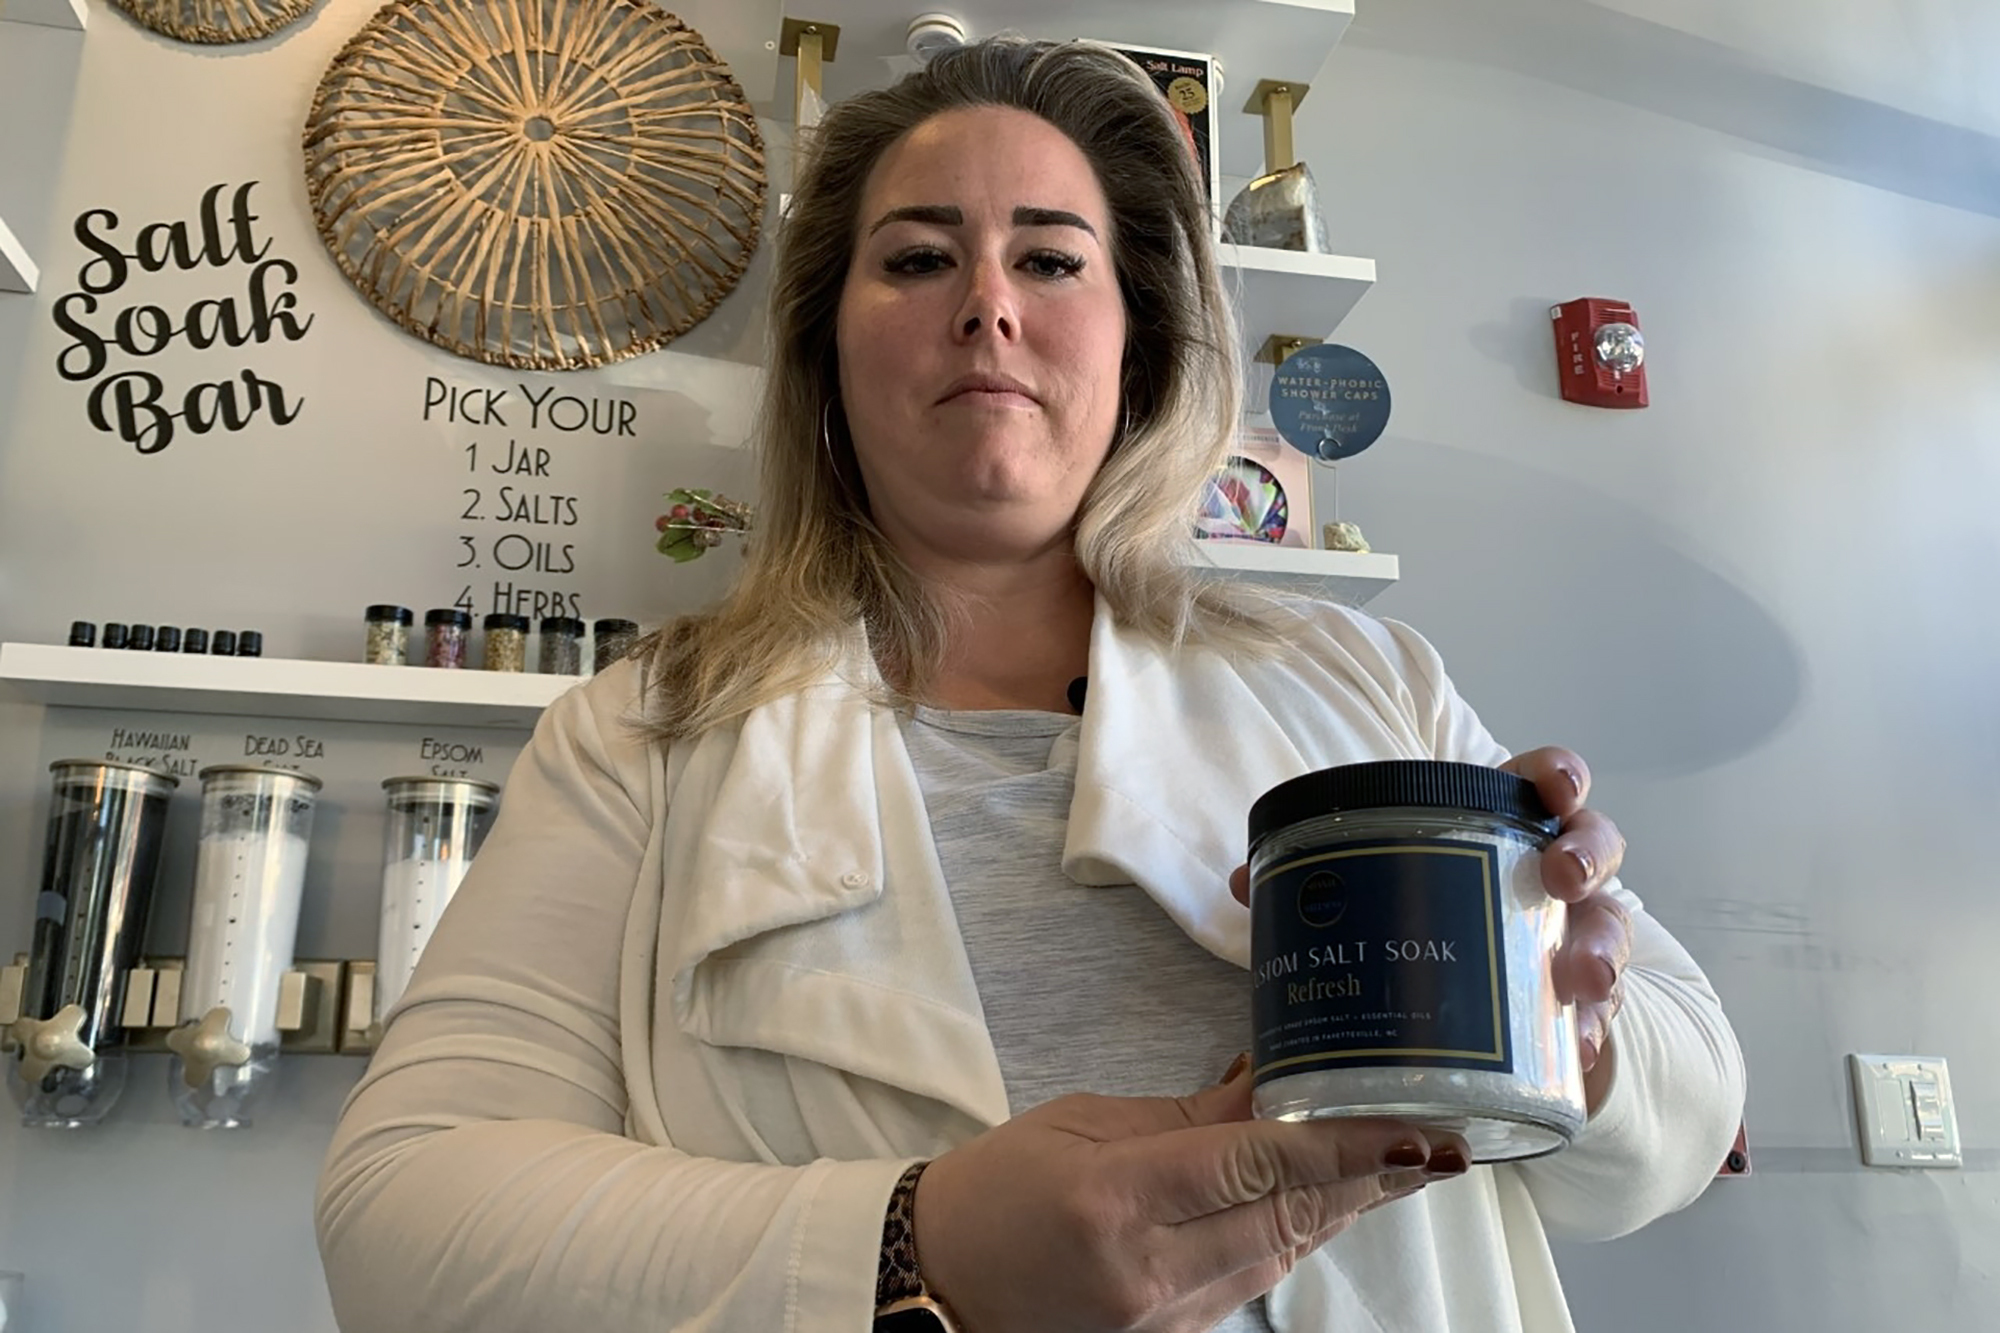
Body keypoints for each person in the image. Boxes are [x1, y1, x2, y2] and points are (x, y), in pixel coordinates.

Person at [315, 37, 1744, 1333]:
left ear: (1138, 349)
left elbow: (1692, 1111)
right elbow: (403, 1218)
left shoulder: (1365, 679)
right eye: (920, 258)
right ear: (827, 350)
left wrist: (1574, 1016)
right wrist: (908, 1243)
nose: (989, 303)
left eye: (1052, 261)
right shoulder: (643, 733)